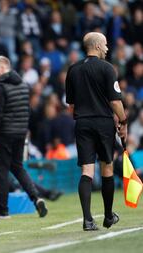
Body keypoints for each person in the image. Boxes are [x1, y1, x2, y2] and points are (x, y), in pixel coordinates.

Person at [65, 32, 127, 231]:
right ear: (98, 46)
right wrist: (123, 121)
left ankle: (88, 220)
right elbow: (115, 101)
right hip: (103, 123)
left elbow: (71, 104)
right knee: (107, 168)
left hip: (82, 123)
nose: (108, 49)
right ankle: (108, 216)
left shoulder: (73, 70)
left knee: (87, 171)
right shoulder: (108, 68)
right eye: (106, 45)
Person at [0, 56, 48, 219]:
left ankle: (3, 210)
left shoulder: (0, 87)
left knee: (2, 170)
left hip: (4, 134)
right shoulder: (23, 84)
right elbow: (26, 111)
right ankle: (36, 198)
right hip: (20, 132)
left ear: (2, 67)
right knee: (17, 167)